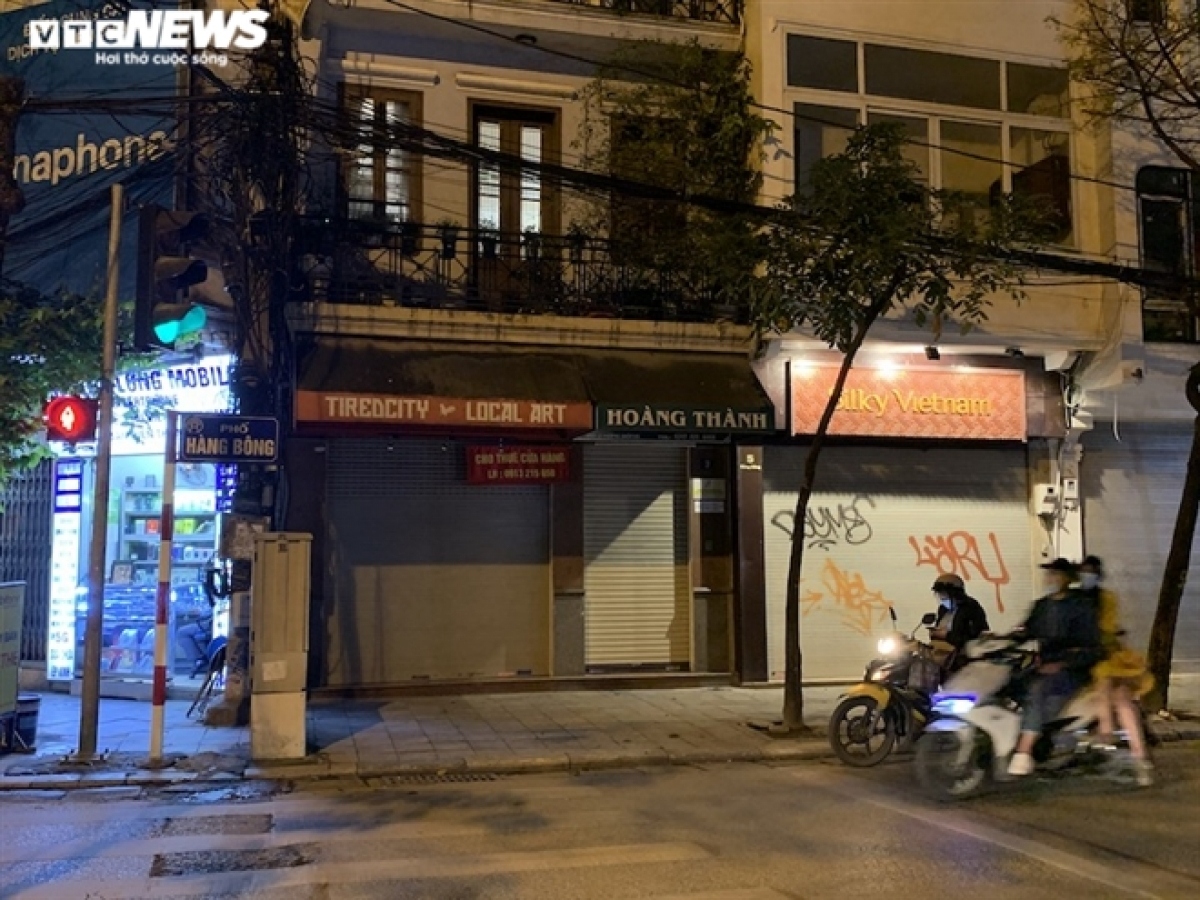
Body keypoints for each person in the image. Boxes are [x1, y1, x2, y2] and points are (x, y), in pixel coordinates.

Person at [1008, 557, 1104, 777]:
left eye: (1055, 574)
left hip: (1071, 670)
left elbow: (1092, 648)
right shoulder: (1041, 606)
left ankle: (1023, 751)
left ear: (1067, 579)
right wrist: (1000, 641)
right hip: (1042, 665)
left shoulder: (1081, 608)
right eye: (1048, 574)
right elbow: (1026, 631)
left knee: (1037, 690)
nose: (1050, 579)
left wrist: (1062, 664)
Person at [1079, 555, 1155, 787]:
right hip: (1094, 659)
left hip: (1109, 659)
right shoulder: (1075, 599)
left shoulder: (1106, 599)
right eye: (1084, 572)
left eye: (1090, 572)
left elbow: (1107, 628)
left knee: (1119, 697)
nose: (1086, 576)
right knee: (1117, 697)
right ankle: (1130, 751)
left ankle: (1117, 742)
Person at [929, 573, 990, 673]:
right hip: (944, 656)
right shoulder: (943, 609)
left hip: (964, 661)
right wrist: (935, 633)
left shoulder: (971, 608)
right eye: (939, 595)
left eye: (944, 595)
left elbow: (975, 639)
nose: (942, 598)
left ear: (955, 594)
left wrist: (947, 635)